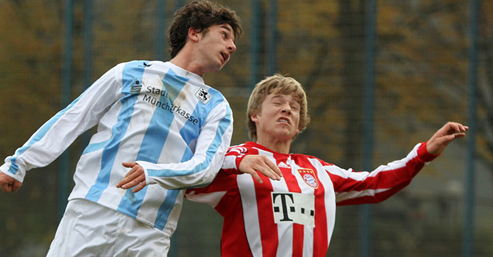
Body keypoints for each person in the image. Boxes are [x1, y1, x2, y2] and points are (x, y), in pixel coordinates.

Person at [118, 74, 468, 256]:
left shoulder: (317, 171)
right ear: (255, 114)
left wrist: (425, 152)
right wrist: (234, 166)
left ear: (301, 124)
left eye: (295, 108)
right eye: (278, 103)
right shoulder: (236, 156)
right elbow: (191, 179)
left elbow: (375, 184)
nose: (287, 109)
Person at [0, 0, 243, 257]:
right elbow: (74, 116)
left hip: (150, 230)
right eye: (224, 34)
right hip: (93, 208)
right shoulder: (131, 72)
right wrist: (20, 162)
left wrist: (153, 172)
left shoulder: (217, 106)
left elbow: (205, 168)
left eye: (233, 41)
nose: (232, 46)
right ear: (194, 32)